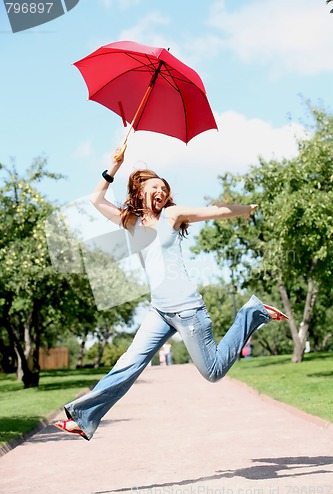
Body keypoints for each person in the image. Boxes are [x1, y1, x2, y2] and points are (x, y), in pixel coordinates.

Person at [54, 146, 288, 440]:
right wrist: (114, 166)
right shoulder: (130, 222)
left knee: (213, 372)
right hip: (159, 311)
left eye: (164, 188)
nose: (161, 191)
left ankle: (251, 313)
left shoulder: (171, 216)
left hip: (188, 310)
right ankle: (83, 417)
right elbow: (96, 199)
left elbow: (214, 212)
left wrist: (247, 209)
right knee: (128, 363)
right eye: (155, 187)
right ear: (140, 192)